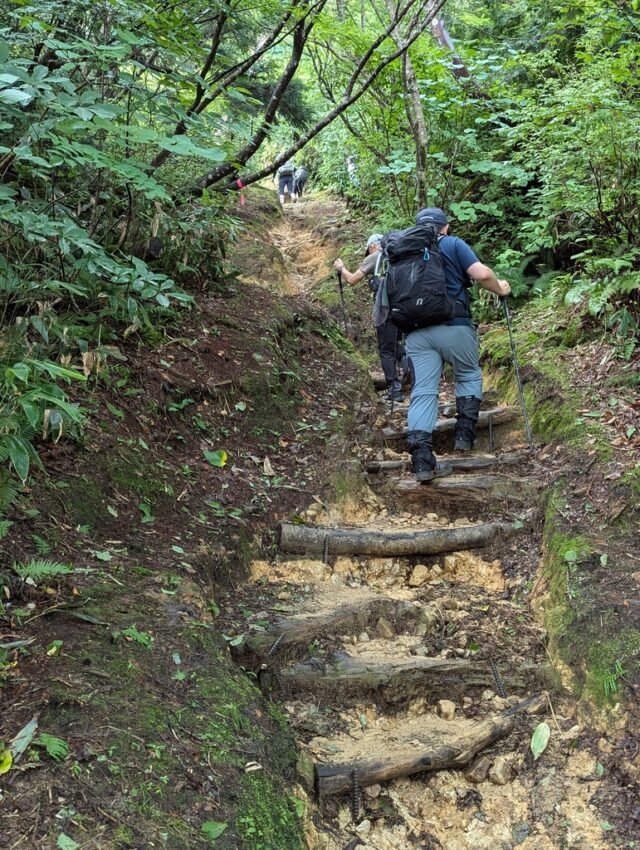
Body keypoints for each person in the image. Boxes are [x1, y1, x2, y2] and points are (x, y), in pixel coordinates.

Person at [401, 207, 511, 482]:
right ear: (445, 227)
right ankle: (464, 436)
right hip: (454, 326)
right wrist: (501, 289)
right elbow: (482, 274)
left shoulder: (403, 251)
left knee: (424, 391)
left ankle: (423, 462)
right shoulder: (452, 243)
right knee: (469, 373)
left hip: (416, 333)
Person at [334, 234, 407, 402]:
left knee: (386, 350)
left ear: (373, 246)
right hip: (406, 308)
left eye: (368, 249)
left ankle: (395, 389)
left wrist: (341, 268)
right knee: (395, 344)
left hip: (386, 310)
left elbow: (352, 279)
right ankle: (408, 367)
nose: (368, 252)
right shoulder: (401, 256)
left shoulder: (376, 257)